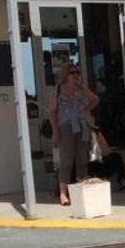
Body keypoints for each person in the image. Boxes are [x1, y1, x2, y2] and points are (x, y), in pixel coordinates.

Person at [50, 61, 98, 206]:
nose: (76, 75)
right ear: (66, 74)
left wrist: (85, 110)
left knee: (82, 159)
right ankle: (63, 194)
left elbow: (95, 99)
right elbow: (52, 112)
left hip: (81, 126)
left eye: (78, 72)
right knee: (66, 160)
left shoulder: (81, 88)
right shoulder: (58, 89)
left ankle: (81, 189)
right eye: (73, 73)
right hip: (65, 127)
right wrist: (55, 131)